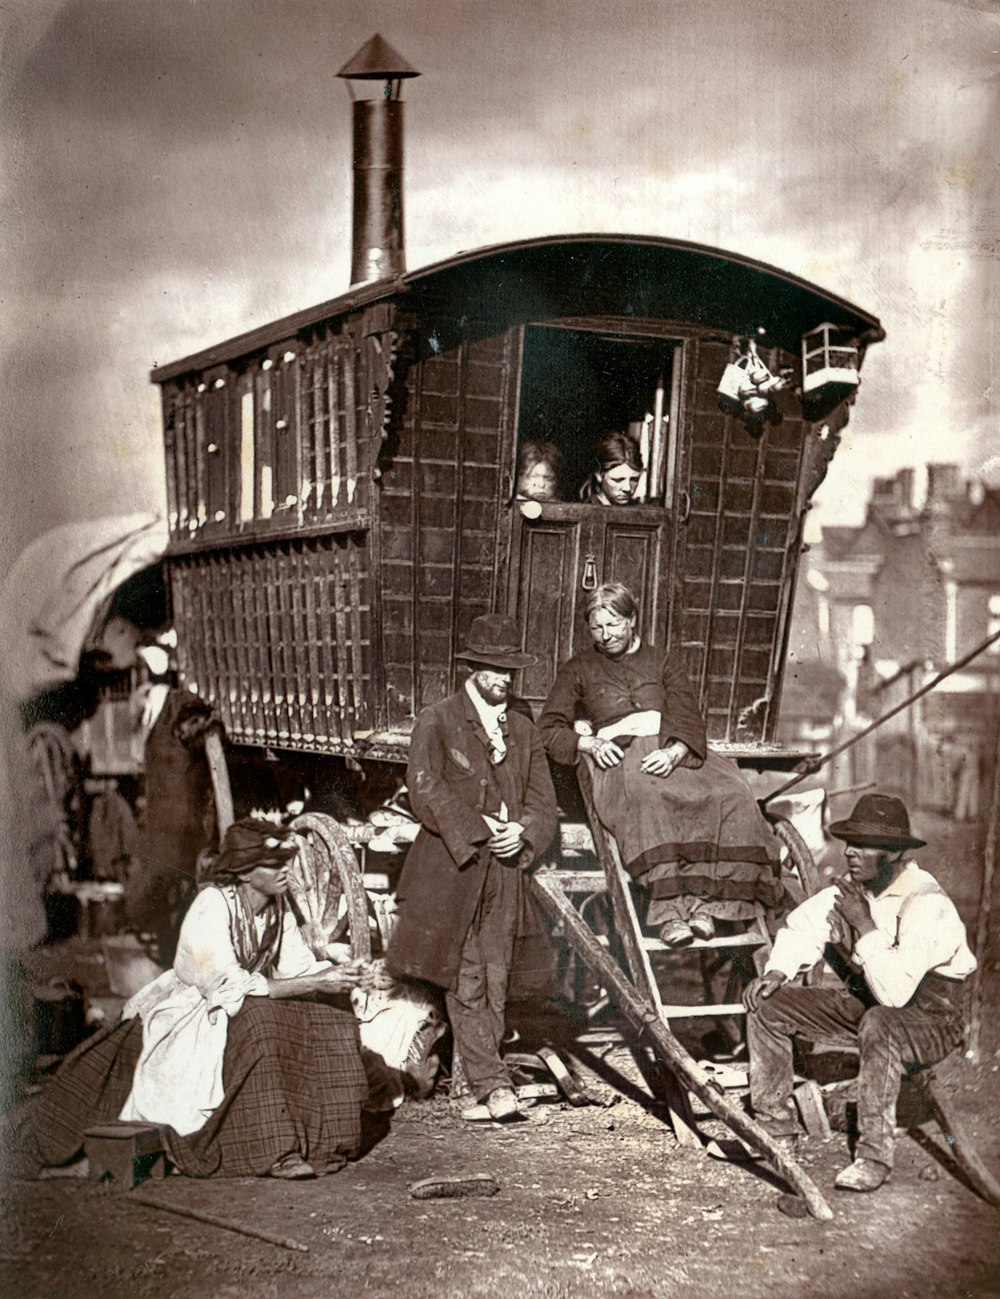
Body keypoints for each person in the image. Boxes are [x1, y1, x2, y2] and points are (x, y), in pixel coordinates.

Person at [17, 818, 371, 1180]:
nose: (286, 871)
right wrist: (316, 982)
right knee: (260, 1021)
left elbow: (298, 969)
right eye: (274, 863)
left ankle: (326, 1137)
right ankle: (271, 1149)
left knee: (333, 1016)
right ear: (245, 872)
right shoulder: (212, 906)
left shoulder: (278, 911)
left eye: (286, 861)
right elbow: (226, 986)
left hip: (238, 1002)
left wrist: (336, 977)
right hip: (192, 1009)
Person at [742, 793, 976, 1193]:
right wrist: (779, 970)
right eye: (850, 842)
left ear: (897, 853)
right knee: (767, 1006)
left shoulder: (926, 902)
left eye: (865, 845)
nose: (851, 852)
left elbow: (896, 996)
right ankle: (776, 1131)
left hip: (933, 1018)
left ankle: (873, 1156)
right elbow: (803, 927)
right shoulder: (856, 890)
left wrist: (864, 928)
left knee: (880, 1022)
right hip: (872, 1005)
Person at [539, 582, 783, 947]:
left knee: (732, 792)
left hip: (674, 748)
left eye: (614, 624)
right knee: (647, 796)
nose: (605, 636)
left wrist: (674, 753)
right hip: (621, 756)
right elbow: (549, 727)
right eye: (597, 628)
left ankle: (707, 907)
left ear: (632, 620)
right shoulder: (578, 669)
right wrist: (588, 742)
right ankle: (669, 912)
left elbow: (686, 712)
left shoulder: (663, 661)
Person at [386, 613, 559, 1121]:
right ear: (473, 667)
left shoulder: (524, 730)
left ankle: (474, 1087)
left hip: (505, 870)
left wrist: (523, 831)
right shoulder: (436, 720)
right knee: (465, 975)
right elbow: (426, 791)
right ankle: (493, 1085)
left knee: (497, 972)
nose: (504, 680)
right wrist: (483, 828)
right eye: (494, 670)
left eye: (511, 671)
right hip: (454, 867)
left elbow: (544, 803)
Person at [579, 431, 643, 506]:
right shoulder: (584, 512)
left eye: (634, 479)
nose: (627, 488)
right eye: (618, 480)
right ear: (599, 475)